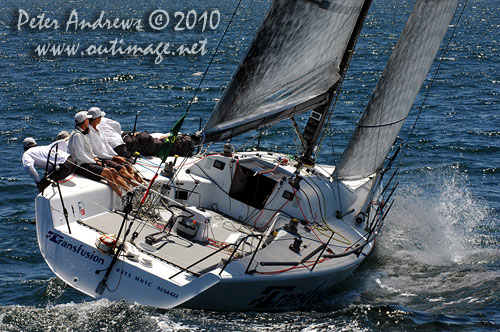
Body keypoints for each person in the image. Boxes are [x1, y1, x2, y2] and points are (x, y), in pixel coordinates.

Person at [68, 111, 130, 197]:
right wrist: (95, 162)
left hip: (88, 162)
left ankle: (129, 192)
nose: (89, 121)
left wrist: (95, 158)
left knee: (113, 171)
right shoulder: (77, 135)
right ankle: (121, 196)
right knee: (108, 172)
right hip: (81, 165)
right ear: (85, 121)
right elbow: (80, 155)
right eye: (87, 119)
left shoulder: (82, 133)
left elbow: (88, 151)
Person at [87, 107, 143, 185]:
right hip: (102, 158)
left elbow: (106, 144)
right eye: (100, 117)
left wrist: (116, 155)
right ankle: (137, 187)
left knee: (128, 165)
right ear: (96, 119)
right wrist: (114, 157)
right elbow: (98, 152)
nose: (101, 118)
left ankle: (143, 185)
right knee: (122, 168)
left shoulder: (99, 127)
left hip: (109, 155)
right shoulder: (88, 132)